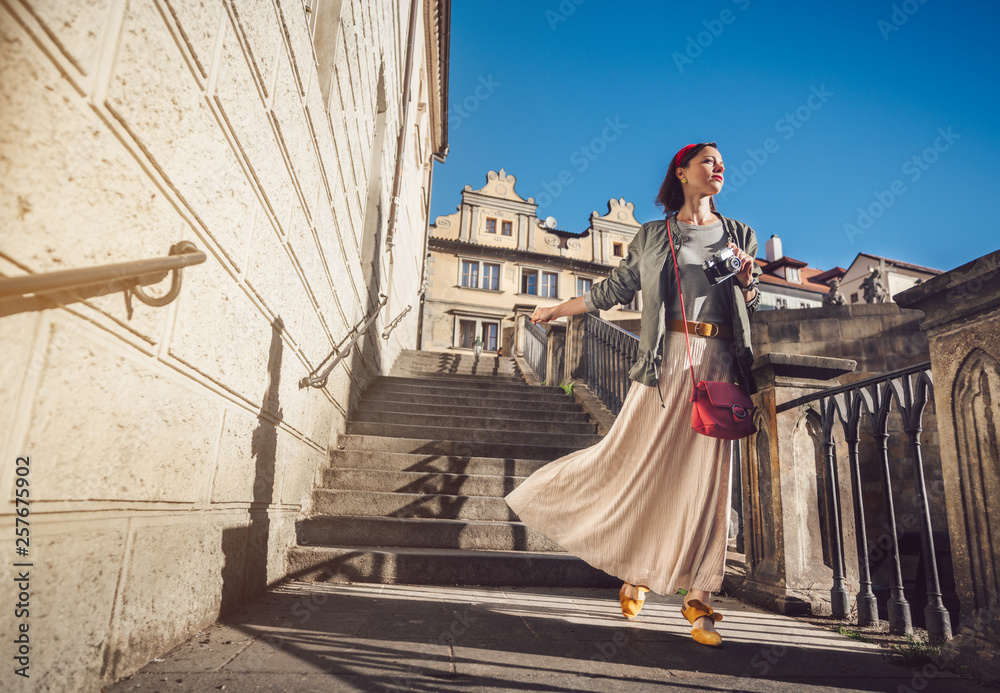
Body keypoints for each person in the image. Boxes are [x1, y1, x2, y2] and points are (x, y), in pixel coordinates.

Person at [505, 143, 762, 648]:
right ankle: (635, 572)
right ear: (682, 172)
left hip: (721, 366)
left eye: (722, 163)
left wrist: (751, 286)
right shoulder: (653, 235)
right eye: (708, 161)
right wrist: (558, 310)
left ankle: (701, 599)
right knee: (637, 464)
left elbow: (749, 303)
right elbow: (613, 291)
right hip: (665, 364)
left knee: (711, 485)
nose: (718, 168)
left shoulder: (740, 234)